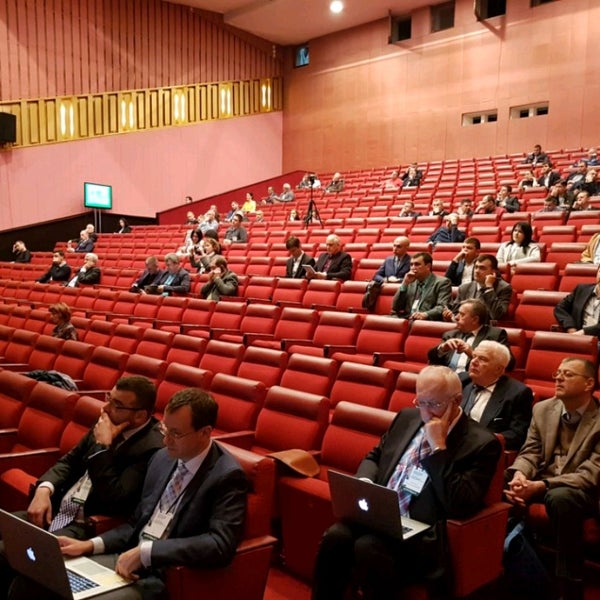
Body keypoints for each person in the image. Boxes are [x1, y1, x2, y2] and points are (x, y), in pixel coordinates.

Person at [16, 388, 247, 600]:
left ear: (205, 432)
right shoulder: (163, 458)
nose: (165, 440)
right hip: (126, 559)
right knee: (35, 579)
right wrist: (89, 545)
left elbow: (220, 543)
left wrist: (148, 552)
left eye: (176, 433)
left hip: (162, 573)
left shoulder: (226, 476)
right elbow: (136, 522)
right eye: (165, 429)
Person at [312, 366, 501, 600]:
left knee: (368, 546)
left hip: (422, 532)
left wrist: (438, 448)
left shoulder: (482, 443)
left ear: (457, 400)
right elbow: (375, 456)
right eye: (421, 402)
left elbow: (459, 503)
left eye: (434, 404)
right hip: (382, 514)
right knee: (336, 536)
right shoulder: (406, 417)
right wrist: (365, 483)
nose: (426, 412)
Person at [505, 358, 600, 600]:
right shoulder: (543, 409)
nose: (558, 378)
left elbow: (591, 474)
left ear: (589, 383)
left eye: (568, 374)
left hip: (582, 490)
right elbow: (531, 452)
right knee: (501, 482)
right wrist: (520, 475)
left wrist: (541, 485)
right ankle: (511, 568)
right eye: (557, 373)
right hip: (541, 481)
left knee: (560, 498)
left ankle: (569, 583)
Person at [461, 341, 533, 450]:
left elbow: (517, 436)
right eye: (474, 356)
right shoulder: (462, 380)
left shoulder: (517, 393)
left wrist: (481, 440)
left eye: (483, 359)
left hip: (482, 449)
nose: (474, 362)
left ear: (498, 369)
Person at [428, 299, 509, 375]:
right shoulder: (451, 334)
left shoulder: (495, 335)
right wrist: (442, 349)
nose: (456, 317)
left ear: (475, 319)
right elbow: (432, 360)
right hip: (447, 378)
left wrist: (473, 354)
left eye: (462, 314)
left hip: (473, 379)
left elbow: (508, 364)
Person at [447, 254, 513, 322]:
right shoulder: (464, 288)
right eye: (476, 267)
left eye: (482, 268)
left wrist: (489, 288)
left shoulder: (504, 288)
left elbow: (497, 315)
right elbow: (455, 312)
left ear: (493, 271)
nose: (477, 271)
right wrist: (450, 316)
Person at [391, 252, 451, 320]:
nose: (413, 267)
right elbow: (395, 307)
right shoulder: (410, 281)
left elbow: (442, 306)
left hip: (426, 321)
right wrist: (404, 284)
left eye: (417, 264)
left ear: (428, 266)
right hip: (408, 319)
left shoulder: (442, 282)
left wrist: (425, 314)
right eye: (411, 264)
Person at [554, 264, 600, 338]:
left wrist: (583, 332)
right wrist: (570, 327)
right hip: (577, 337)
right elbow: (560, 308)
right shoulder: (582, 290)